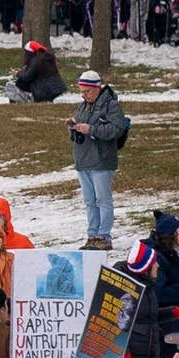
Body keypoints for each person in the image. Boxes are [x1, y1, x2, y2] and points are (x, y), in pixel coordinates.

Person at [68, 70, 126, 249]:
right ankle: (92, 235)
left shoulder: (111, 105)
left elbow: (116, 129)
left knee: (103, 200)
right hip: (83, 160)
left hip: (101, 161)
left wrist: (91, 129)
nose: (84, 95)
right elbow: (81, 124)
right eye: (82, 92)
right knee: (89, 201)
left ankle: (103, 236)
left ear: (97, 88)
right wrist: (72, 126)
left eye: (87, 91)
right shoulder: (84, 105)